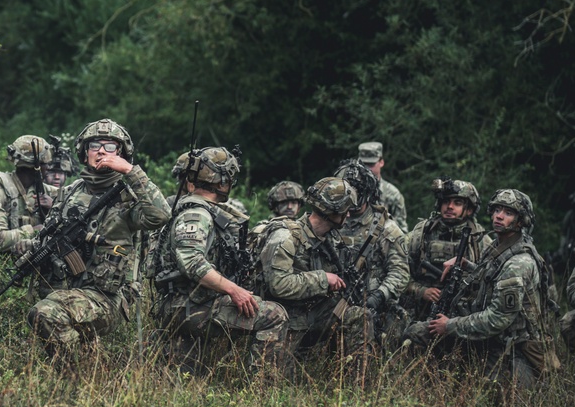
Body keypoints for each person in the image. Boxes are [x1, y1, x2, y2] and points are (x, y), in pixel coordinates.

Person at [26, 119, 171, 362]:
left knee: (46, 313)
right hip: (68, 291)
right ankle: (90, 362)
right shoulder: (70, 192)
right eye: (95, 145)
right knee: (44, 309)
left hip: (108, 297)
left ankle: (74, 374)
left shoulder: (129, 198)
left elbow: (161, 215)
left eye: (111, 147)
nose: (102, 151)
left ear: (121, 154)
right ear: (84, 153)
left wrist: (130, 171)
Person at [153, 147, 286, 374]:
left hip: (188, 302)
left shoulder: (201, 209)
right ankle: (264, 389)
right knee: (274, 316)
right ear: (223, 182)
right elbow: (192, 262)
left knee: (183, 377)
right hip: (188, 305)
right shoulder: (197, 214)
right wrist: (234, 290)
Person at [414, 189, 558, 389]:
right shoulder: (500, 246)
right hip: (488, 339)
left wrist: (450, 325)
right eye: (497, 209)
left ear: (520, 220)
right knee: (417, 333)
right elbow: (491, 278)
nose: (499, 216)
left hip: (510, 348)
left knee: (486, 391)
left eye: (508, 212)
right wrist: (465, 264)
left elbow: (497, 319)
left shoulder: (519, 263)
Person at [256, 177, 368, 362]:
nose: (348, 215)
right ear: (334, 210)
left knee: (360, 316)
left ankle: (355, 382)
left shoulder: (331, 239)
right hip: (285, 320)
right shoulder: (285, 236)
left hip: (314, 315)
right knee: (277, 378)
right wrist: (323, 279)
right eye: (345, 210)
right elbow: (277, 284)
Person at [334, 159, 410, 347]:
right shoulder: (330, 222)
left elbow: (400, 273)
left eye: (355, 190)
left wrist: (380, 296)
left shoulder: (387, 228)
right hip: (333, 303)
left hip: (375, 307)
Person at [403, 178, 486, 322]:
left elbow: (489, 282)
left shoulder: (480, 241)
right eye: (446, 201)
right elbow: (398, 272)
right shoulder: (420, 234)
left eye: (457, 203)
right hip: (419, 313)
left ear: (469, 210)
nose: (450, 207)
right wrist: (421, 291)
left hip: (462, 319)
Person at [0, 135, 56, 257]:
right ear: (35, 167)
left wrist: (55, 207)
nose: (49, 167)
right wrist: (34, 231)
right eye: (45, 164)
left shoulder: (46, 191)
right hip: (3, 266)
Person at [358, 141, 408, 233]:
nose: (367, 169)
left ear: (381, 162)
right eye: (364, 164)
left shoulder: (392, 194)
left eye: (371, 164)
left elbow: (402, 233)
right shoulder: (350, 191)